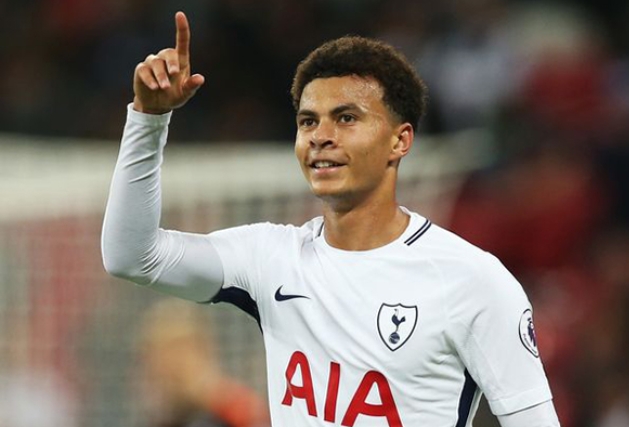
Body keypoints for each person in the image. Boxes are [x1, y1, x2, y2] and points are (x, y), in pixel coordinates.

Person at [102, 11, 561, 427]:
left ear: (400, 140)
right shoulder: (271, 258)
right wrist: (148, 118)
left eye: (345, 118)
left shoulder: (472, 280)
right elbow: (132, 256)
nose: (320, 136)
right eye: (308, 121)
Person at [134, 298, 270, 427]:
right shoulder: (162, 416)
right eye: (162, 353)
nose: (171, 363)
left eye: (179, 349)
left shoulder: (237, 409)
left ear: (203, 348)